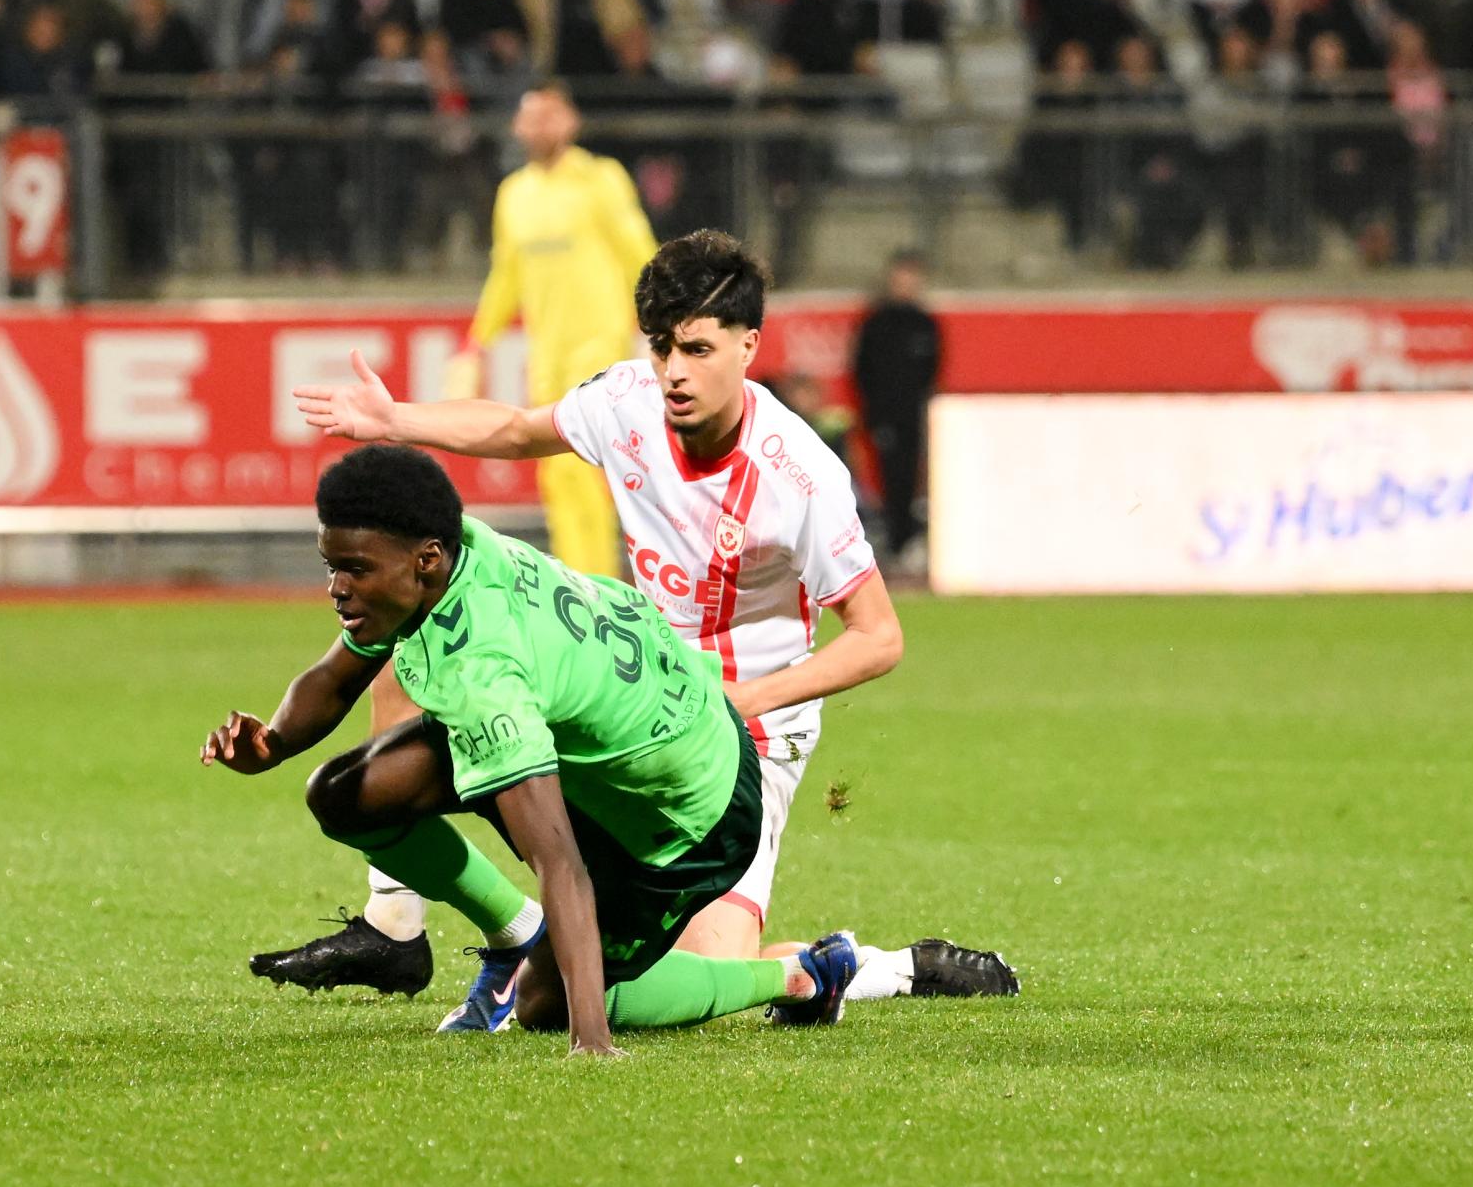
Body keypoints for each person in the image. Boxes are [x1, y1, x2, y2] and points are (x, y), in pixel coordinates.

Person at [258, 230, 1017, 1021]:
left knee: (695, 974)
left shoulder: (801, 476)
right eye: (661, 347)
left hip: (739, 742)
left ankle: (864, 967)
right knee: (411, 659)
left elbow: (877, 635)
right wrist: (397, 419)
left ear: (749, 344)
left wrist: (747, 699)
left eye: (695, 347)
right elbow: (519, 429)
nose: (673, 371)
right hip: (623, 691)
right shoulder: (627, 401)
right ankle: (412, 922)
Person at [204, 443, 867, 1055]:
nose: (336, 587)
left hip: (694, 814)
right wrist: (273, 741)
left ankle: (799, 975)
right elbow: (336, 673)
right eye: (331, 565)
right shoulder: (450, 553)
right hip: (618, 735)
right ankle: (514, 934)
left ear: (425, 559)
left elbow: (560, 861)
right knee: (343, 794)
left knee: (544, 1002)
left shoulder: (483, 674)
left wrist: (591, 1037)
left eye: (354, 568)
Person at [446, 82, 657, 580]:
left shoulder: (600, 179)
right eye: (530, 117)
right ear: (518, 127)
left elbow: (638, 251)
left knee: (577, 465)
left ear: (570, 122)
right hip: (549, 353)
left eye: (550, 115)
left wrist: (662, 319)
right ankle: (585, 579)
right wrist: (477, 342)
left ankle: (596, 584)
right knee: (557, 472)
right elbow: (507, 276)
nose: (539, 126)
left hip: (599, 344)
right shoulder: (514, 193)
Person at [850, 249, 940, 568]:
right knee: (889, 478)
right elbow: (863, 371)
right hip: (885, 417)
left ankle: (907, 540)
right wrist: (874, 415)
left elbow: (931, 374)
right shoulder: (875, 324)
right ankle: (894, 541)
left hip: (913, 417)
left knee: (913, 478)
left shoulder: (926, 323)